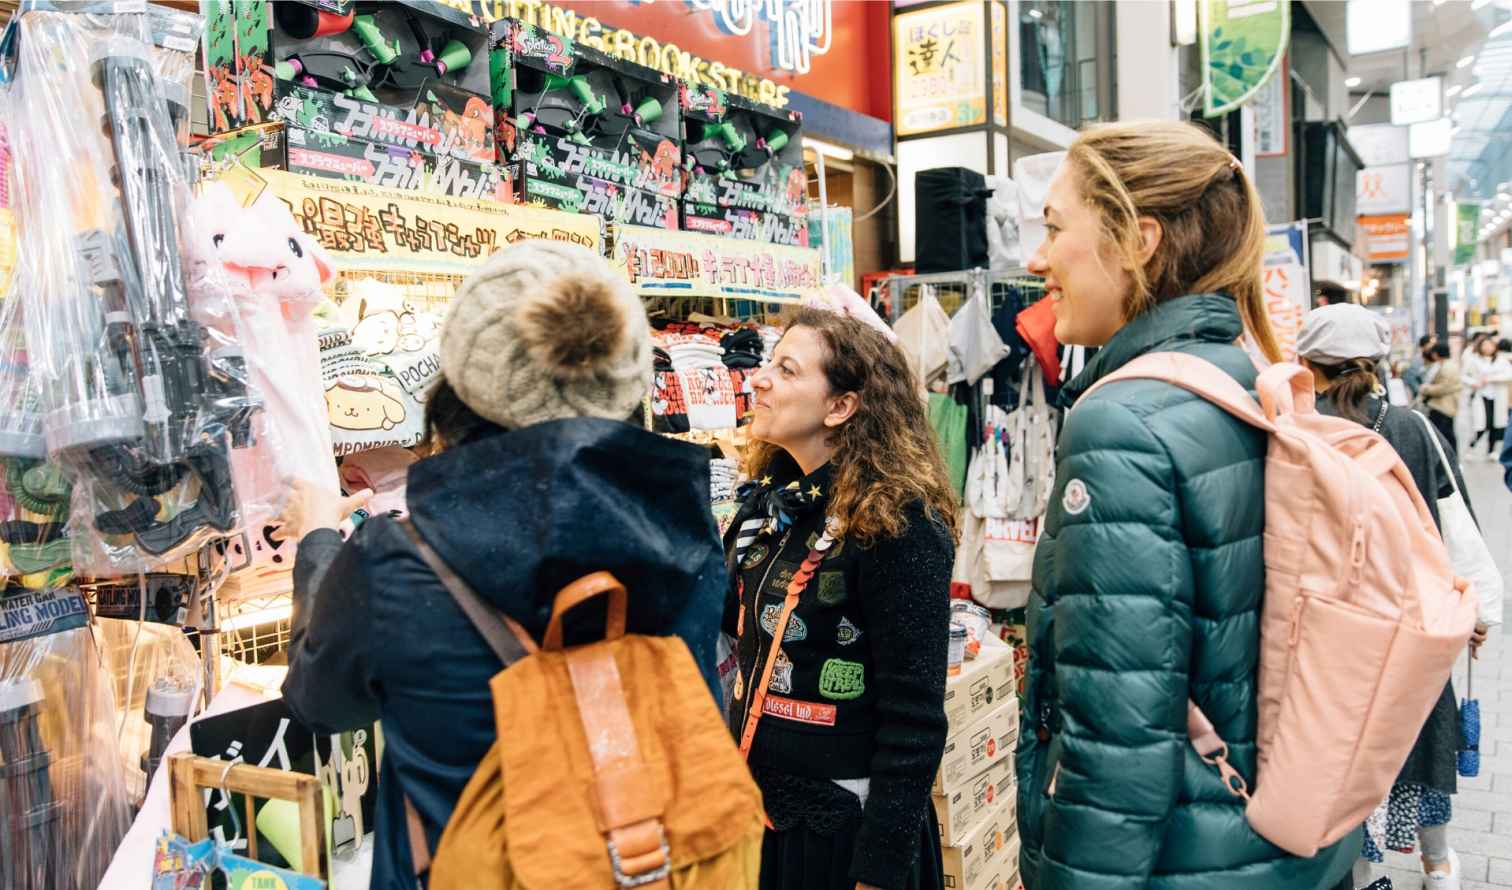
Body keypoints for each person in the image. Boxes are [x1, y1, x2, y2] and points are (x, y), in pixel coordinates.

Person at [274, 242, 729, 890]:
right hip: (642, 864)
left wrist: (320, 540)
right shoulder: (682, 529)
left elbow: (320, 703)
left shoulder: (400, 557)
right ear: (626, 374)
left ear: (460, 375)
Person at [1015, 120, 1358, 890]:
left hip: (1183, 861)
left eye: (1054, 228)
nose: (1038, 261)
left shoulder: (1123, 423)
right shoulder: (1246, 381)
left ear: (1138, 240)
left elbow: (1116, 740)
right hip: (1274, 843)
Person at [723, 306, 957, 890]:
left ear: (841, 406)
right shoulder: (776, 505)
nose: (759, 378)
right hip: (764, 819)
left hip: (846, 837)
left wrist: (877, 872)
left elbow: (916, 717)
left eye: (787, 369)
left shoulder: (900, 523)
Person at [1297, 303, 1493, 890]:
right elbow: (1458, 528)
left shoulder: (1297, 428)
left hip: (1331, 628)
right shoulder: (1413, 427)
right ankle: (1437, 867)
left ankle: (1358, 872)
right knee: (1422, 741)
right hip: (1413, 621)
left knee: (1347, 754)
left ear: (1308, 364)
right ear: (1378, 362)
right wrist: (1477, 611)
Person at [1462, 334, 1512, 460]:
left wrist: (1490, 379)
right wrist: (1474, 382)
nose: (1488, 348)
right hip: (1481, 395)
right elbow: (1463, 375)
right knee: (1482, 425)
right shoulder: (1473, 360)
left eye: (1490, 345)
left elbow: (1509, 375)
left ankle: (1492, 451)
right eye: (1485, 345)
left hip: (1497, 396)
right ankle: (1471, 447)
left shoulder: (1501, 360)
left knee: (1496, 424)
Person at [1417, 342, 1462, 452]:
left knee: (1443, 436)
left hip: (1443, 406)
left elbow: (1444, 387)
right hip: (1445, 405)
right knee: (1447, 435)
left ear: (1436, 354)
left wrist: (1426, 388)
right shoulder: (1447, 365)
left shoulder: (1446, 367)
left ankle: (1450, 459)